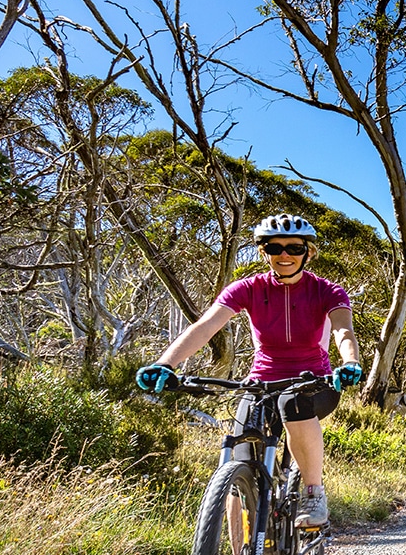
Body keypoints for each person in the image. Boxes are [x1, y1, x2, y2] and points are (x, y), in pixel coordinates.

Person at [136, 214, 366, 529]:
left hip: (315, 383)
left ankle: (314, 493)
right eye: (275, 247)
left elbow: (343, 332)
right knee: (238, 465)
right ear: (264, 252)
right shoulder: (248, 289)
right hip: (260, 384)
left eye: (294, 247)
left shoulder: (328, 291)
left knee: (292, 403)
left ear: (308, 253)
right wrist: (165, 363)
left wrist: (349, 362)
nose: (285, 254)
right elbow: (205, 327)